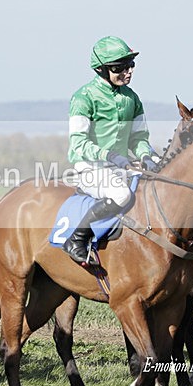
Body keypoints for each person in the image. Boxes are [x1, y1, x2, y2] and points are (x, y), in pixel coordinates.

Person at [63, 36, 159, 264]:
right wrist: (110, 155)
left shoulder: (132, 98)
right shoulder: (83, 97)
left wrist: (147, 155)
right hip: (89, 166)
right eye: (120, 68)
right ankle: (77, 239)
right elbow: (79, 143)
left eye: (130, 65)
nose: (128, 72)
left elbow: (139, 137)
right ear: (101, 70)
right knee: (121, 194)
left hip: (121, 165)